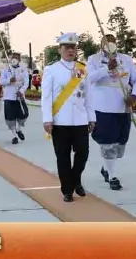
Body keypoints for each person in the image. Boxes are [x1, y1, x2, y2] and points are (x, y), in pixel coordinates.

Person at [41, 32, 95, 202]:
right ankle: (67, 190)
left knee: (83, 154)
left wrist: (91, 117)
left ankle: (75, 179)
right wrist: (47, 119)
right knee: (63, 157)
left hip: (80, 119)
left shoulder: (82, 69)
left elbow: (89, 96)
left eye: (73, 47)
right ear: (60, 50)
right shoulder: (51, 69)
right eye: (67, 47)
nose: (70, 50)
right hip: (60, 121)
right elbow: (46, 96)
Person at [86, 34, 136, 191]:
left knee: (120, 144)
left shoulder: (126, 59)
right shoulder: (93, 60)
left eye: (112, 42)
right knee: (107, 143)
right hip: (103, 107)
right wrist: (107, 68)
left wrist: (134, 95)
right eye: (106, 42)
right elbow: (90, 79)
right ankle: (112, 176)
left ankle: (106, 167)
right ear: (101, 45)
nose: (110, 44)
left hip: (123, 106)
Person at [0, 51, 30, 144]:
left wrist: (21, 91)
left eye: (17, 57)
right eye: (13, 57)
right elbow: (1, 82)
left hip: (19, 97)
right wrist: (9, 80)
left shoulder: (23, 69)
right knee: (10, 117)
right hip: (8, 97)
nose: (15, 58)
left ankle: (19, 129)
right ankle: (14, 136)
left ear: (20, 59)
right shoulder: (5, 69)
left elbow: (26, 82)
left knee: (23, 114)